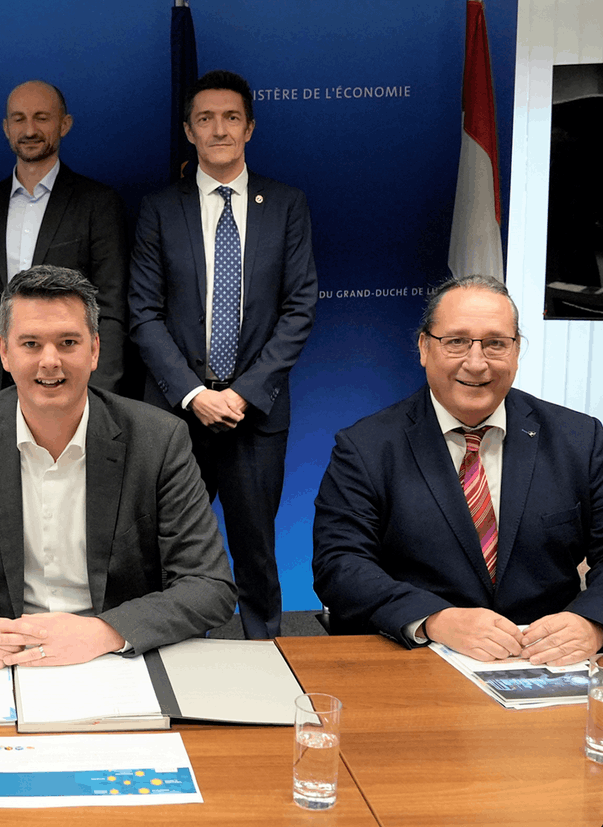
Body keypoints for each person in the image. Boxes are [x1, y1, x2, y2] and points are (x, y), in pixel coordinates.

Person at [0, 266, 236, 669]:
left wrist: (106, 632)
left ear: (94, 350)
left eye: (68, 342)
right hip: (1, 662)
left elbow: (209, 586)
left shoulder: (158, 439)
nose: (49, 361)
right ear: (4, 351)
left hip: (117, 654)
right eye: (31, 344)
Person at [313, 275, 603, 667]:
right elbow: (340, 566)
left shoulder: (579, 438)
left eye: (496, 343)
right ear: (423, 348)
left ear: (517, 351)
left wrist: (592, 623)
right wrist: (435, 619)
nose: (477, 362)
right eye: (456, 342)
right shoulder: (366, 447)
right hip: (418, 661)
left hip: (546, 664)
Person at [129, 70, 317, 639]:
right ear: (189, 131)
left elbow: (299, 306)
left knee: (256, 548)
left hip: (255, 414)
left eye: (231, 117)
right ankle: (164, 652)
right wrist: (194, 394)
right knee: (163, 549)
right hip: (175, 414)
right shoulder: (161, 208)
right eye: (205, 119)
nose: (219, 129)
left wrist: (240, 393)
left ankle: (265, 657)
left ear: (250, 128)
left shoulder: (285, 204)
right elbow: (142, 311)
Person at [0, 80, 127, 406]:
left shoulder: (98, 204)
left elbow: (111, 312)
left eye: (42, 117)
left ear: (64, 124)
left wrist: (100, 399)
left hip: (69, 386)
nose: (29, 129)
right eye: (19, 119)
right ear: (6, 128)